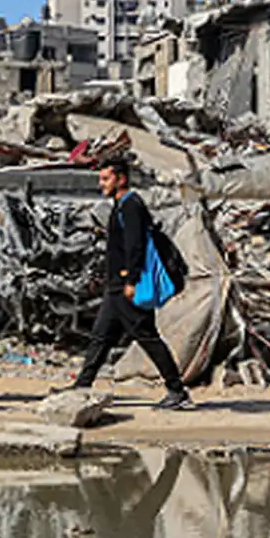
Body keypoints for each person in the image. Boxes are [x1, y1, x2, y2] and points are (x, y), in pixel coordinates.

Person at [68, 154, 193, 410]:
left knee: (147, 337)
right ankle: (81, 386)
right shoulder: (120, 205)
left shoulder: (131, 206)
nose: (101, 184)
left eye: (106, 179)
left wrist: (131, 279)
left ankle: (177, 391)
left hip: (126, 286)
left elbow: (135, 245)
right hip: (115, 286)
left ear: (121, 179)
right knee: (100, 336)